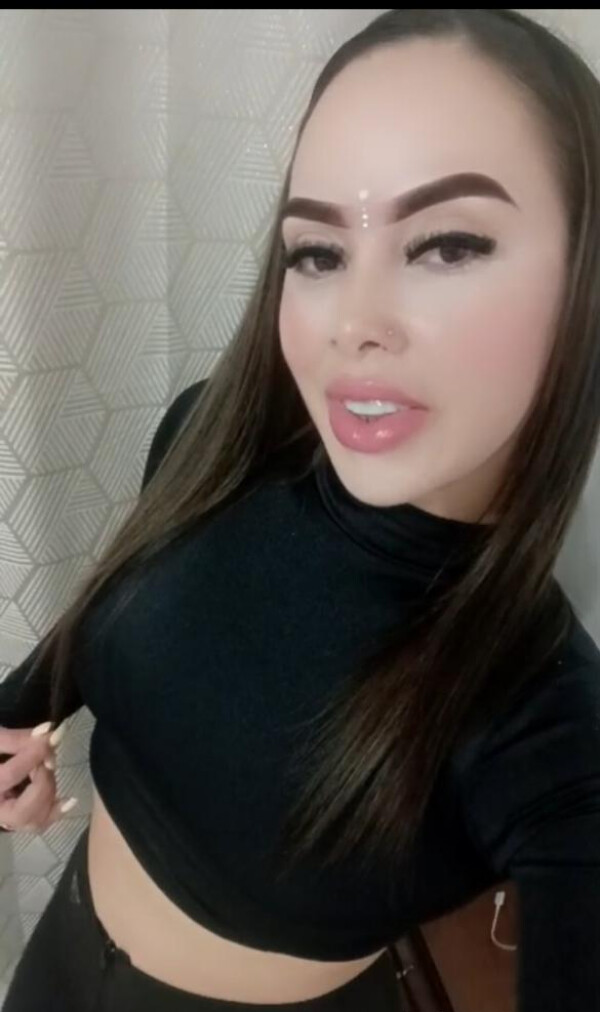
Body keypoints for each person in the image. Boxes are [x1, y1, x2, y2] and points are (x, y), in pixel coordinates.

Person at [2, 9, 600, 1012]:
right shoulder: (210, 439)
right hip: (55, 958)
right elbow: (120, 605)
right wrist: (19, 708)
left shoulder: (544, 720)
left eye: (448, 244)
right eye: (317, 252)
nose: (352, 323)